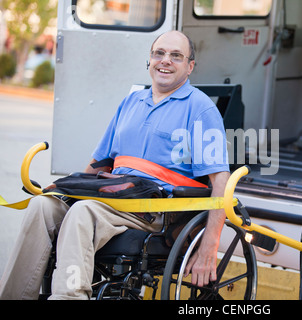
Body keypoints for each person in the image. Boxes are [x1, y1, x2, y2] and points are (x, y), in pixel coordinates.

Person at [0, 30, 230, 300]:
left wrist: (209, 246)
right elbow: (98, 164)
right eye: (159, 53)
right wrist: (66, 191)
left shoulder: (201, 109)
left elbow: (220, 181)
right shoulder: (132, 102)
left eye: (176, 56)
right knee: (43, 206)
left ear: (190, 66)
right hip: (112, 196)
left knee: (83, 212)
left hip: (154, 212)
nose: (165, 61)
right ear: (149, 61)